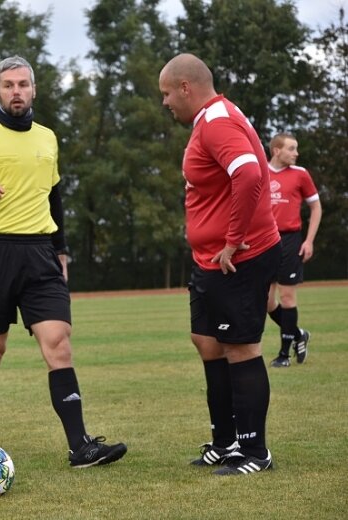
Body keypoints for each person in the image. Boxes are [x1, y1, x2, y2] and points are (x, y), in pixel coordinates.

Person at [0, 55, 127, 469]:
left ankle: (80, 446)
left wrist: (61, 249)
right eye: (8, 85)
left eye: (23, 84)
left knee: (59, 345)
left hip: (41, 254)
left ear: (34, 90)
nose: (16, 91)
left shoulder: (48, 137)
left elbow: (55, 197)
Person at [159, 53, 282, 475]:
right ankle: (226, 441)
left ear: (186, 88)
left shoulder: (216, 122)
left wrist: (232, 241)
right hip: (208, 261)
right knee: (207, 342)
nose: (165, 102)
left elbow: (249, 174)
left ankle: (254, 453)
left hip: (238, 260)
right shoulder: (214, 117)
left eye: (167, 93)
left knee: (240, 348)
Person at [266, 133, 321, 368]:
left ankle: (284, 354)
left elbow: (316, 207)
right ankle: (299, 334)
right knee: (266, 302)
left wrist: (308, 241)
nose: (296, 153)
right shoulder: (260, 172)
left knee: (287, 297)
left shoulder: (301, 174)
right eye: (291, 148)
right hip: (265, 241)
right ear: (277, 150)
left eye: (296, 148)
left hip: (290, 240)